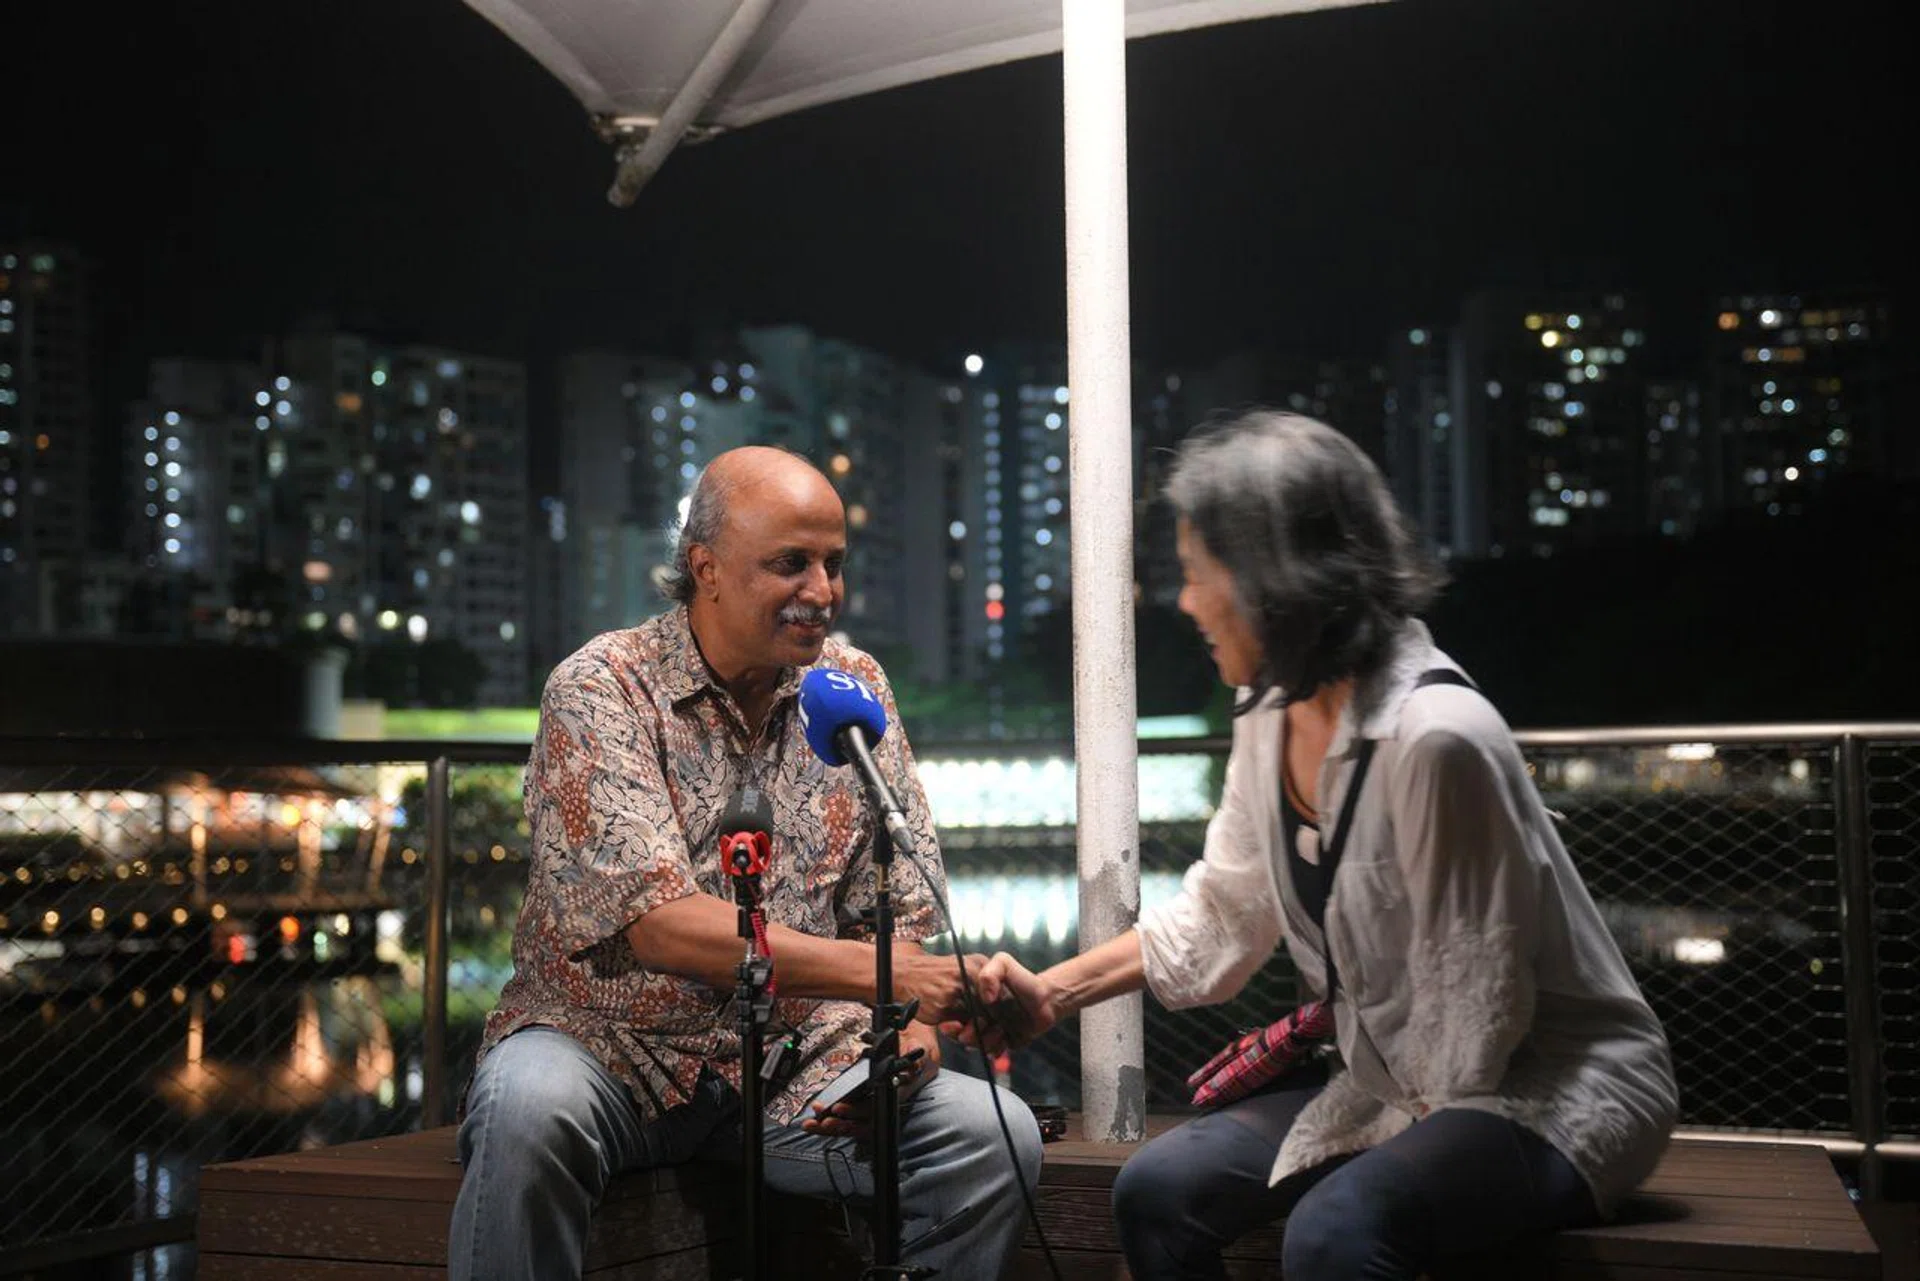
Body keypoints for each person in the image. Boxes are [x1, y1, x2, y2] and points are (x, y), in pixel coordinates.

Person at [958, 412, 1677, 1279]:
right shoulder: (1268, 712)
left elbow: (1470, 1032)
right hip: (1396, 1074)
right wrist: (1051, 992)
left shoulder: (1437, 738)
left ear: (1273, 576)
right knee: (1153, 1189)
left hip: (1550, 1091)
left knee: (1336, 1231)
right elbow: (1221, 920)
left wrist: (1336, 1100)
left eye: (1195, 574)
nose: (1184, 603)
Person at [451, 446, 1042, 1280]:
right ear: (707, 570)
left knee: (994, 1137)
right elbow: (664, 929)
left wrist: (909, 1042)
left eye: (833, 563)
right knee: (528, 1111)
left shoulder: (855, 684)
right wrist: (887, 978)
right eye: (790, 563)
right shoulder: (601, 687)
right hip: (608, 1045)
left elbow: (902, 918)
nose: (823, 591)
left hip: (796, 1061)